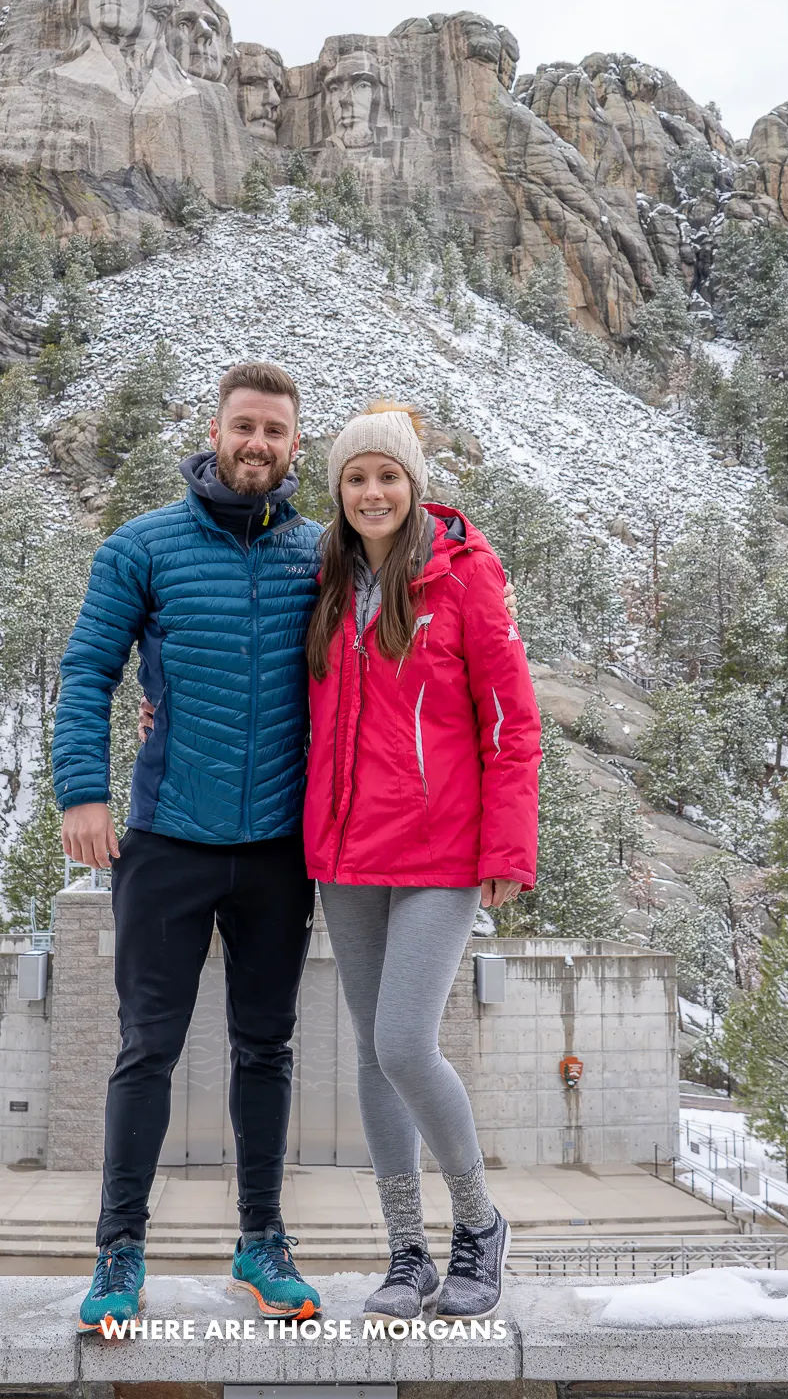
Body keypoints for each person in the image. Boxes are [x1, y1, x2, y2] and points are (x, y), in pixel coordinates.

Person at [52, 362, 325, 1332]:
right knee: (146, 1052)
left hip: (279, 850)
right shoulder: (142, 547)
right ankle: (119, 1253)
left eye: (276, 432)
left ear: (298, 446)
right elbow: (87, 669)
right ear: (213, 431)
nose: (258, 445)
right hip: (166, 838)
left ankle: (262, 1243)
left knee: (266, 1049)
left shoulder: (322, 558)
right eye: (244, 427)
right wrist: (82, 791)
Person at [303, 402, 541, 1323]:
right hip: (346, 852)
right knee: (372, 1054)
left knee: (405, 1041)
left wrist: (505, 849)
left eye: (388, 476)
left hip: (441, 851)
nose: (372, 492)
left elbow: (510, 723)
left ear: (415, 485)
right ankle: (405, 1253)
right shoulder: (326, 581)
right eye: (356, 478)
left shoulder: (466, 576)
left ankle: (479, 1226)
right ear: (340, 491)